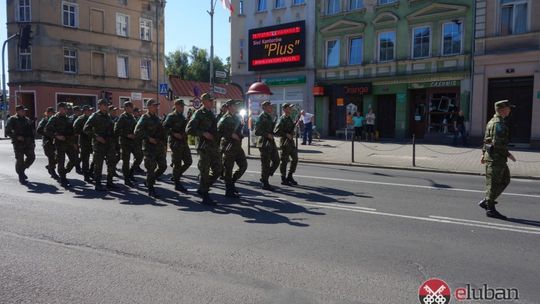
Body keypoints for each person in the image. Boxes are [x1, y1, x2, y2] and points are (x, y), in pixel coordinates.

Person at [478, 100, 517, 219]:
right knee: (493, 184)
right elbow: (497, 143)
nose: (510, 110)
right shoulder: (498, 123)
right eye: (508, 108)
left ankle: (487, 201)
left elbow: (486, 140)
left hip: (495, 158)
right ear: (501, 109)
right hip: (496, 159)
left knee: (505, 179)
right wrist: (508, 154)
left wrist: (483, 154)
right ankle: (490, 208)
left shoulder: (492, 121)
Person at [186, 93, 221, 205]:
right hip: (204, 147)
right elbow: (189, 129)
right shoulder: (199, 113)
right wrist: (203, 133)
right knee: (205, 171)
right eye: (210, 101)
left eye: (212, 100)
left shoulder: (211, 113)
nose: (212, 102)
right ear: (205, 101)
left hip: (213, 146)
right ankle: (205, 196)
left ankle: (202, 187)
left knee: (218, 170)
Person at [134, 99, 168, 198]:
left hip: (158, 147)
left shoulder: (157, 118)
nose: (156, 107)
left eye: (156, 106)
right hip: (149, 148)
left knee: (163, 166)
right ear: (148, 106)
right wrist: (149, 138)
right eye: (154, 105)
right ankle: (151, 189)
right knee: (150, 169)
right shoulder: (144, 117)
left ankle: (149, 181)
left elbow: (162, 132)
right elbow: (137, 131)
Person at [84, 99, 117, 191]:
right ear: (99, 106)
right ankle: (98, 183)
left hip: (109, 143)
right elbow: (86, 129)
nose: (106, 106)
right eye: (104, 105)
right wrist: (96, 137)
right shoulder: (95, 116)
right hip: (99, 144)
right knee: (98, 165)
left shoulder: (108, 116)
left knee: (111, 163)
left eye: (107, 105)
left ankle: (109, 183)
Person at [217, 99, 247, 198]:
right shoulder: (224, 118)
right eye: (234, 105)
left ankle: (232, 183)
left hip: (237, 146)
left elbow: (238, 131)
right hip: (228, 146)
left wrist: (241, 127)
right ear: (229, 107)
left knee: (243, 165)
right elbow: (219, 130)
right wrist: (231, 134)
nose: (236, 107)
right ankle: (228, 190)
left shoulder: (237, 117)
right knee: (228, 169)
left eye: (236, 105)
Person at [45, 102, 79, 187]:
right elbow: (47, 130)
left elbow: (72, 132)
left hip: (69, 142)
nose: (66, 110)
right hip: (60, 143)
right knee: (61, 161)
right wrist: (56, 136)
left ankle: (63, 172)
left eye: (66, 109)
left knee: (74, 159)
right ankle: (63, 178)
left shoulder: (68, 118)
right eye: (64, 108)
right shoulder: (54, 118)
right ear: (59, 109)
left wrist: (74, 143)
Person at [163, 99, 192, 192]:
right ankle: (177, 183)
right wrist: (174, 134)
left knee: (188, 161)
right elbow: (165, 127)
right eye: (181, 106)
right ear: (176, 105)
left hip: (183, 142)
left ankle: (176, 176)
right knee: (177, 163)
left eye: (183, 106)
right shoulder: (171, 116)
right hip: (175, 143)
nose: (183, 108)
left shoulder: (182, 117)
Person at [115, 101, 143, 187]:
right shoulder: (122, 117)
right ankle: (126, 179)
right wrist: (127, 135)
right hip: (125, 142)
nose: (132, 108)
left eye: (132, 107)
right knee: (126, 162)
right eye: (131, 107)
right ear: (126, 108)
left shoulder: (132, 117)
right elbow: (116, 130)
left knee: (139, 156)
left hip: (133, 142)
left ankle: (130, 173)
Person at [5, 105, 35, 184]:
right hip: (18, 143)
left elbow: (31, 131)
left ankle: (21, 170)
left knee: (32, 157)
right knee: (20, 159)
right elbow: (7, 131)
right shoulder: (12, 119)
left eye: (24, 111)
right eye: (22, 111)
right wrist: (17, 137)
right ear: (18, 111)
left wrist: (33, 142)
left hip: (28, 142)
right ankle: (21, 176)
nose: (24, 112)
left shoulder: (27, 119)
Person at [254, 100, 280, 191]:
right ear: (264, 107)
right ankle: (265, 182)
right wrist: (267, 134)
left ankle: (265, 176)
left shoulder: (269, 117)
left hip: (271, 142)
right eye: (269, 106)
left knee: (276, 161)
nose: (271, 108)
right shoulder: (261, 117)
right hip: (264, 143)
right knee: (265, 164)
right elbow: (257, 131)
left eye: (271, 106)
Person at [274, 103, 298, 186]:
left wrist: (293, 133)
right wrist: (286, 134)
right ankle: (283, 178)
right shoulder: (282, 119)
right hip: (285, 142)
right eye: (289, 108)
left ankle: (290, 176)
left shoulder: (289, 118)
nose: (291, 109)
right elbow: (276, 131)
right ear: (284, 109)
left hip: (291, 142)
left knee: (295, 159)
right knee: (284, 161)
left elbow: (291, 129)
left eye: (291, 108)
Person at [37, 107, 59, 179]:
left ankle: (50, 166)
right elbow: (39, 130)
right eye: (52, 113)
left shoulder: (55, 120)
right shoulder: (44, 121)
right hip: (47, 141)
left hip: (55, 141)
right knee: (51, 157)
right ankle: (52, 172)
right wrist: (48, 134)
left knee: (58, 157)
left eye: (54, 113)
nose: (53, 114)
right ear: (48, 113)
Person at [73, 105, 94, 182]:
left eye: (91, 110)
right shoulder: (80, 119)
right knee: (85, 159)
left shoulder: (91, 118)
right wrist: (75, 142)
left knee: (96, 158)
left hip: (92, 141)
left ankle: (90, 172)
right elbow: (75, 130)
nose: (90, 112)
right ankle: (86, 176)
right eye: (89, 110)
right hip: (84, 141)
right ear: (84, 111)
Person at [132, 107, 145, 174]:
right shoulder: (132, 119)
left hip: (139, 139)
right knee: (138, 155)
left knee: (139, 155)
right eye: (137, 111)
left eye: (138, 112)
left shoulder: (139, 118)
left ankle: (136, 167)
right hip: (134, 140)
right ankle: (134, 168)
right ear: (134, 112)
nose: (138, 113)